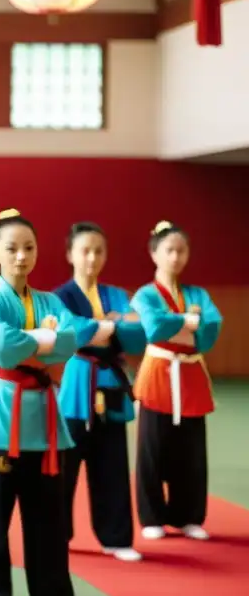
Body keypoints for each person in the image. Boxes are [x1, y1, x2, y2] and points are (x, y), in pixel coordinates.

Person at [0, 209, 110, 596]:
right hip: (1, 418)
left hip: (45, 420)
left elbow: (70, 342)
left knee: (48, 515)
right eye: (11, 248)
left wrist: (42, 340)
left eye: (28, 247)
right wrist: (44, 340)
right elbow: (0, 349)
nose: (21, 256)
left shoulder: (51, 301)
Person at [55, 222, 147, 562]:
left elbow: (138, 332)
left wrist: (107, 328)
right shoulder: (60, 297)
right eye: (85, 250)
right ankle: (57, 534)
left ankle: (116, 537)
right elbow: (71, 332)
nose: (92, 258)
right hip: (78, 384)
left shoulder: (116, 293)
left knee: (112, 461)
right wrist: (111, 325)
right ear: (70, 254)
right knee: (66, 465)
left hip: (110, 381)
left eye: (99, 251)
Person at [131, 220, 223, 541]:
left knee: (192, 453)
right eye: (169, 250)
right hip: (158, 374)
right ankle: (152, 515)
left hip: (190, 376)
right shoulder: (145, 294)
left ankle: (188, 516)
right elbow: (153, 326)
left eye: (181, 251)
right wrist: (188, 322)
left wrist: (187, 329)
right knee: (152, 449)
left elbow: (212, 326)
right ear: (154, 254)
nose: (175, 257)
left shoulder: (197, 293)